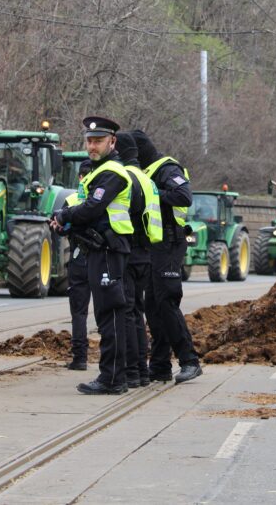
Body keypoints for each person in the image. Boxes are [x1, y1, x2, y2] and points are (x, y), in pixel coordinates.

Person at [51, 117, 132, 395]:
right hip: (99, 249)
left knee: (110, 313)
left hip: (109, 249)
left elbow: (93, 209)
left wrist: (65, 215)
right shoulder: (98, 171)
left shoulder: (112, 172)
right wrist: (66, 222)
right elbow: (87, 211)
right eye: (89, 141)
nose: (92, 146)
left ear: (112, 141)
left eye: (98, 141)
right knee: (106, 313)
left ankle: (112, 378)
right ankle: (114, 376)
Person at [131, 129, 202, 384]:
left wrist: (154, 194)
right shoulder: (148, 171)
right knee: (153, 305)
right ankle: (160, 365)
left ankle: (190, 361)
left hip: (170, 243)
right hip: (155, 244)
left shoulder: (167, 168)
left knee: (167, 301)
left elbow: (184, 196)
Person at [116, 132, 163, 388]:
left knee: (127, 313)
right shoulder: (147, 179)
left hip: (129, 252)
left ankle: (132, 371)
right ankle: (142, 372)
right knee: (137, 312)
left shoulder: (126, 178)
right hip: (146, 252)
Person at [60, 159, 93, 371]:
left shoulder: (71, 200)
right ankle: (115, 359)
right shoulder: (106, 197)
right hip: (104, 258)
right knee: (108, 310)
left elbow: (60, 228)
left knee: (79, 311)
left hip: (79, 257)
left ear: (80, 177)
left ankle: (80, 357)